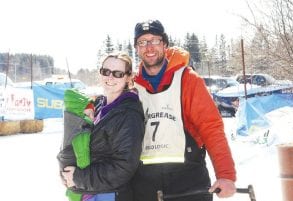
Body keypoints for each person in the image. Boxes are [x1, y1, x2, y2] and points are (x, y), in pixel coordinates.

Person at [132, 19, 236, 201]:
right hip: (144, 183)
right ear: (136, 48)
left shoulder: (188, 80)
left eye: (155, 40)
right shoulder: (132, 86)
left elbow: (211, 128)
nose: (149, 47)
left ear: (164, 44)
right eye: (142, 42)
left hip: (188, 181)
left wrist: (225, 174)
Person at [59, 52, 145, 201]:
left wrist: (79, 178)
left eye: (118, 73)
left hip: (109, 195)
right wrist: (67, 174)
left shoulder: (129, 114)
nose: (110, 77)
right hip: (88, 191)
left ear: (128, 77)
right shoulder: (98, 106)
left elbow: (123, 167)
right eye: (106, 72)